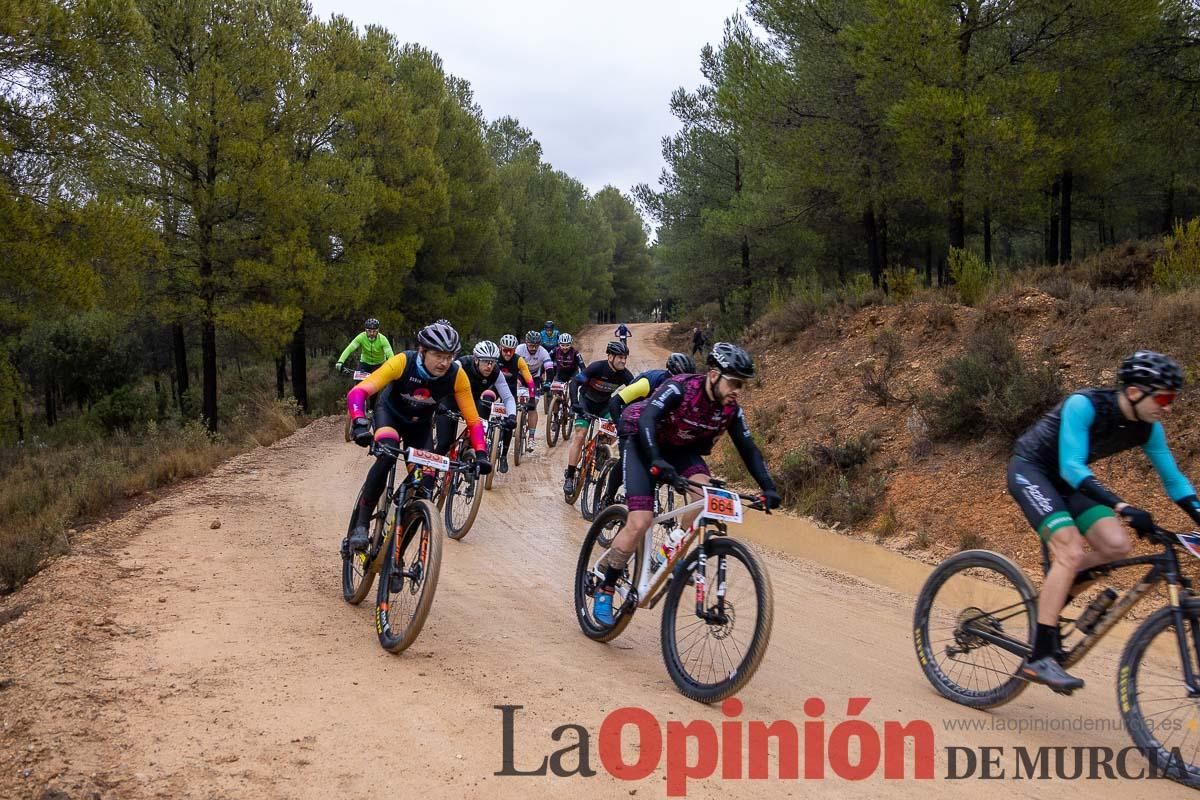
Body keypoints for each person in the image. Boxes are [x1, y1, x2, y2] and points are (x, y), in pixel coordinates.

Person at [1008, 350, 1200, 693]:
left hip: (1069, 485)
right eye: (1164, 397)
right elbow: (1072, 467)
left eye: (1172, 399)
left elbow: (1174, 482)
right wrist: (1124, 507)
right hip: (1033, 470)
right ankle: (1039, 657)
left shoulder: (1148, 429)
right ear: (1133, 391)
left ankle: (1052, 603)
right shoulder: (1085, 404)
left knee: (1116, 545)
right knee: (1070, 551)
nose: (1168, 407)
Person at [590, 343, 781, 625]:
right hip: (642, 439)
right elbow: (647, 418)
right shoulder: (681, 388)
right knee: (640, 520)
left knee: (703, 493)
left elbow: (748, 448)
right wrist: (656, 459)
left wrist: (768, 487)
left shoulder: (730, 410)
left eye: (742, 384)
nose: (737, 390)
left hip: (680, 447)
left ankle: (669, 549)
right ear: (714, 375)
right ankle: (605, 586)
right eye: (734, 382)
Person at [344, 322, 490, 552]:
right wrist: (359, 421)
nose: (444, 362)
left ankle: (398, 552)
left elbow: (473, 420)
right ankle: (361, 524)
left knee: (426, 483)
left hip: (419, 427)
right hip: (390, 415)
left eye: (450, 356)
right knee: (386, 455)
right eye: (439, 355)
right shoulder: (404, 361)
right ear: (423, 351)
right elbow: (358, 392)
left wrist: (481, 453)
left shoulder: (455, 375)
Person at [600, 353, 696, 507]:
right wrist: (619, 427)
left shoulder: (685, 390)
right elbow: (615, 402)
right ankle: (608, 497)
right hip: (630, 419)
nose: (682, 383)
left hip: (654, 422)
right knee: (628, 460)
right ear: (669, 374)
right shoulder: (648, 383)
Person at [562, 341, 634, 499]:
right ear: (610, 356)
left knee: (614, 429)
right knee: (580, 435)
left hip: (605, 406)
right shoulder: (597, 367)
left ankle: (600, 451)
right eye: (620, 357)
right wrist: (574, 403)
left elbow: (636, 394)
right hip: (586, 402)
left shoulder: (625, 375)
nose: (623, 361)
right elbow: (575, 382)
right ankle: (570, 475)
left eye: (625, 358)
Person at [434, 340, 516, 460]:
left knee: (479, 440)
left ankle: (468, 453)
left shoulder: (495, 372)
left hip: (471, 404)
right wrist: (437, 402)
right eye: (485, 361)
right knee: (445, 443)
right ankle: (431, 475)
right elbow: (439, 381)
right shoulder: (461, 364)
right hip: (450, 402)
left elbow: (508, 397)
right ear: (476, 359)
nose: (489, 366)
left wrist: (512, 416)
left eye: (492, 362)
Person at [496, 334, 537, 474]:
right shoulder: (495, 357)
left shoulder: (519, 360)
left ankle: (503, 456)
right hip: (493, 389)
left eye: (511, 351)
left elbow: (530, 380)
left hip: (510, 391)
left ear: (515, 350)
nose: (508, 353)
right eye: (505, 350)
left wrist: (532, 398)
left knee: (508, 424)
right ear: (500, 348)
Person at [516, 331, 553, 452]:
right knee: (514, 393)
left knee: (533, 407)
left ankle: (531, 437)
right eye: (531, 345)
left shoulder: (543, 352)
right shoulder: (519, 349)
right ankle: (515, 417)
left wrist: (548, 382)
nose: (533, 348)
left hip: (535, 378)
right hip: (520, 376)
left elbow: (549, 368)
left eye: (536, 345)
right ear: (526, 343)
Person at [549, 332, 587, 410]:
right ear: (559, 344)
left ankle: (573, 407)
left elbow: (582, 367)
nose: (565, 347)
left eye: (567, 345)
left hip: (572, 374)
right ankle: (555, 414)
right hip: (560, 373)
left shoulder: (575, 353)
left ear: (571, 344)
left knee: (573, 389)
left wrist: (584, 378)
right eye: (562, 345)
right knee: (556, 393)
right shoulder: (555, 351)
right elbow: (546, 360)